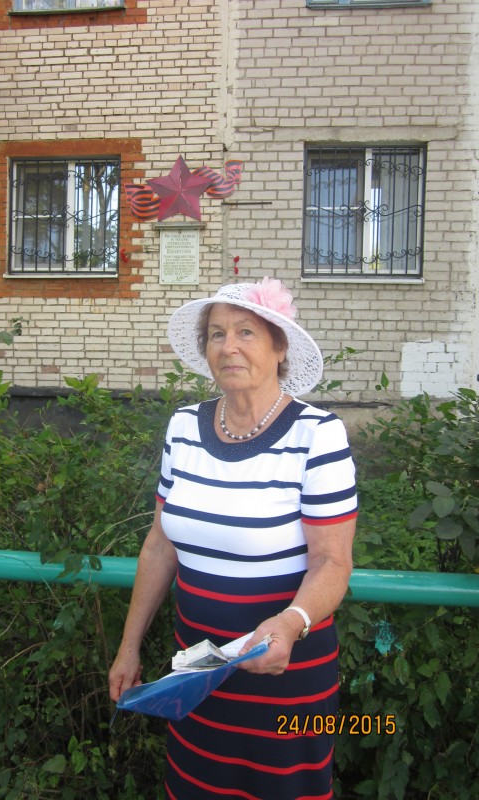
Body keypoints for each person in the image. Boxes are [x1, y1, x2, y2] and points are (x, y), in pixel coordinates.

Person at [109, 277, 357, 800]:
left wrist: (291, 622)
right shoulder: (183, 426)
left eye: (246, 332)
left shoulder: (318, 434)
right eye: (217, 334)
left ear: (280, 347)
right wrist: (129, 647)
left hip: (285, 677)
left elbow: (332, 562)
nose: (228, 346)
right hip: (197, 675)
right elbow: (159, 546)